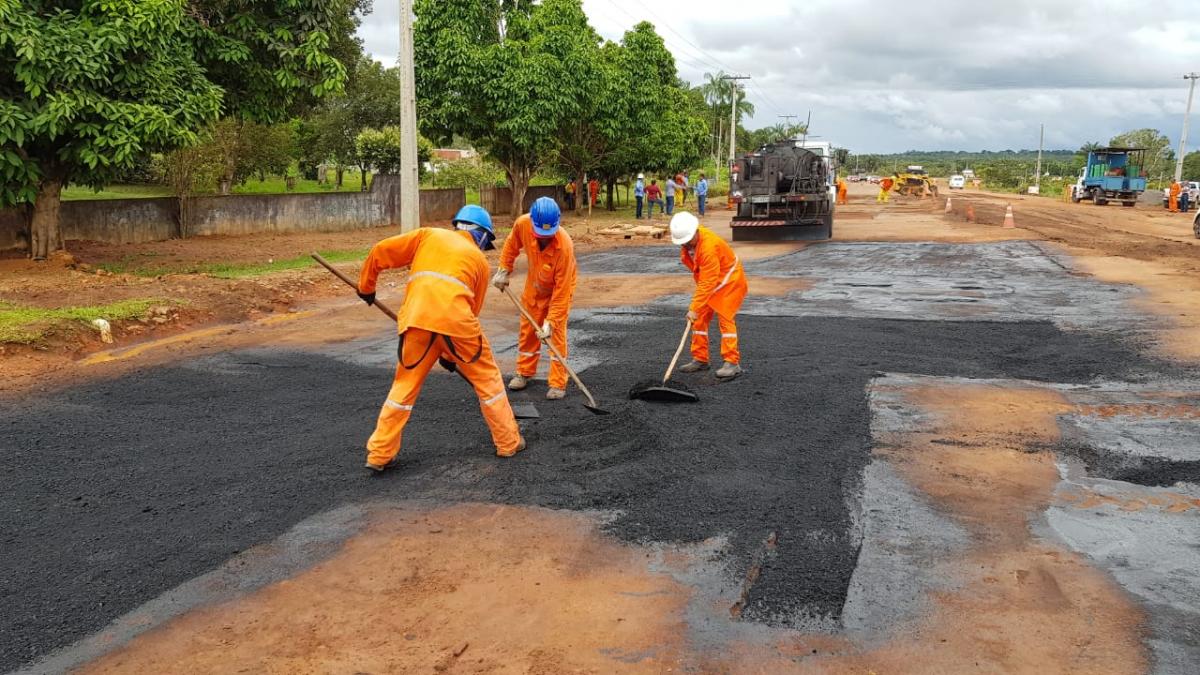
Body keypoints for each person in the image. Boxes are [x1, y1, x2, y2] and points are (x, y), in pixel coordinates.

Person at [356, 205, 524, 472]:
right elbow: (471, 311)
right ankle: (508, 442)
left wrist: (367, 287)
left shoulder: (428, 236)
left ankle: (379, 454)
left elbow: (380, 251)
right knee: (488, 381)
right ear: (481, 234)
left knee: (403, 387)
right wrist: (451, 353)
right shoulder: (479, 262)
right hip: (458, 327)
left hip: (416, 320)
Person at [492, 197, 578, 400]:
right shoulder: (523, 224)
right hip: (534, 286)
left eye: (549, 235)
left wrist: (551, 321)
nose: (545, 238)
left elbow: (562, 292)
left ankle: (557, 383)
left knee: (555, 335)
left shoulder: (564, 247)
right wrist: (504, 269)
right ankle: (524, 372)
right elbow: (512, 244)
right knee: (528, 331)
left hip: (558, 289)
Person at [669, 212, 748, 380]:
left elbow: (707, 281)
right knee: (699, 318)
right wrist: (697, 308)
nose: (686, 245)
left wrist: (693, 307)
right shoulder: (689, 246)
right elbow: (703, 278)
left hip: (729, 280)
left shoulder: (709, 247)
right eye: (683, 243)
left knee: (725, 318)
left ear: (696, 231)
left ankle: (732, 363)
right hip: (711, 281)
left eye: (688, 241)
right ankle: (700, 358)